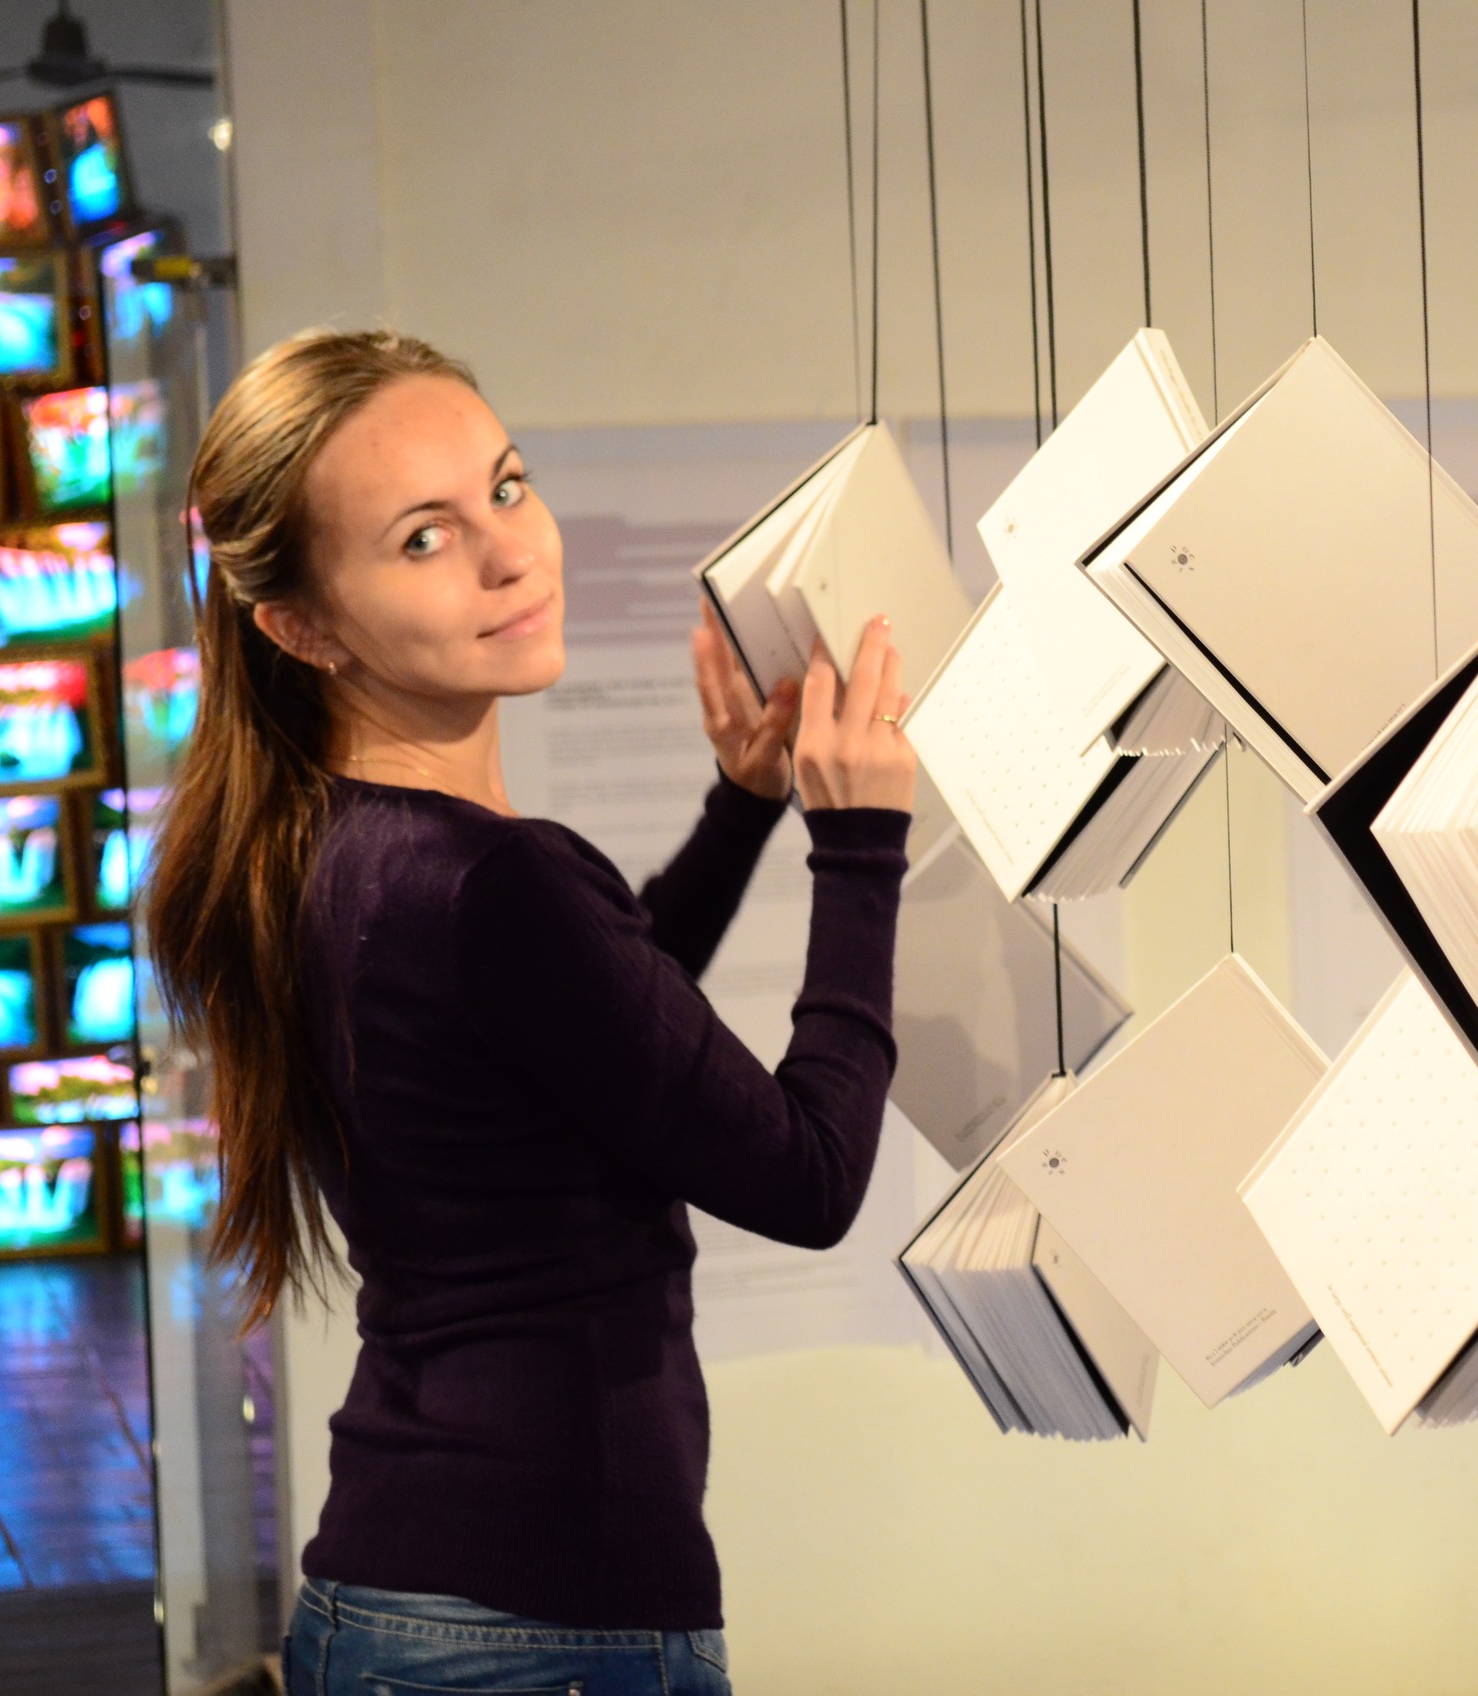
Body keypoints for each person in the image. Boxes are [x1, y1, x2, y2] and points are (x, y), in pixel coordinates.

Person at [144, 328, 913, 1695]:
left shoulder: (328, 847)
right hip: (539, 1634)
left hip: (397, 1603)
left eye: (506, 486)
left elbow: (594, 1033)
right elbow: (808, 1176)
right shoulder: (488, 879)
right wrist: (859, 844)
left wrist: (743, 806)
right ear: (302, 626)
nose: (512, 554)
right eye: (424, 538)